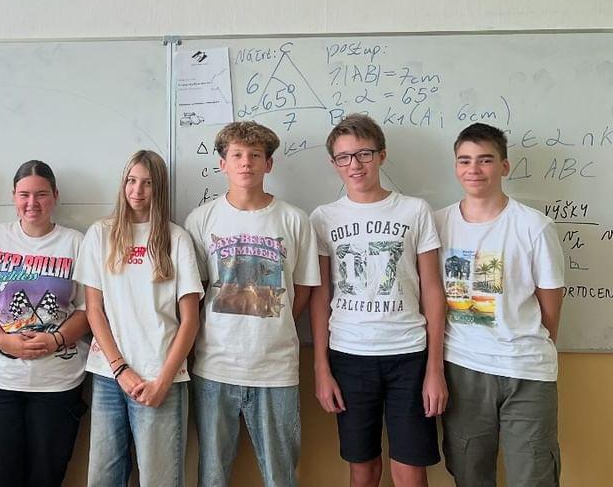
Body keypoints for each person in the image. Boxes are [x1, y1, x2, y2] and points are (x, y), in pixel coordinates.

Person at [309, 113, 448, 487]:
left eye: (364, 154)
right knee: (363, 469)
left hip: (409, 355)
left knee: (410, 472)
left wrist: (434, 369)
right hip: (349, 355)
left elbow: (432, 289)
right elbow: (320, 296)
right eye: (344, 157)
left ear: (382, 155)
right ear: (334, 163)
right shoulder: (323, 218)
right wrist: (321, 368)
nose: (355, 165)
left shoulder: (414, 210)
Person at [183, 122, 321, 487]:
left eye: (255, 155)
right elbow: (196, 290)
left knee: (281, 475)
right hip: (215, 367)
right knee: (212, 474)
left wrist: (273, 322)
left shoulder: (294, 220)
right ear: (223, 163)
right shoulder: (201, 220)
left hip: (276, 369)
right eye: (237, 155)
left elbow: (303, 289)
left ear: (268, 164)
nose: (246, 163)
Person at [435, 123, 564, 487]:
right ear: (456, 167)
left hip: (526, 371)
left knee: (533, 475)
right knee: (469, 473)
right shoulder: (437, 223)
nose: (474, 169)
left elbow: (551, 304)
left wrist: (526, 344)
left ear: (504, 166)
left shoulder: (534, 226)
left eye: (485, 160)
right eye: (465, 160)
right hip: (463, 368)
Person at [0, 160, 88, 487]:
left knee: (46, 478)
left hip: (57, 384)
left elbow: (88, 310)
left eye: (41, 194)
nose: (32, 203)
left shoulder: (76, 243)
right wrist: (3, 341)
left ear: (55, 195)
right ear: (13, 196)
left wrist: (56, 340)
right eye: (24, 195)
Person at [79, 150, 202, 486]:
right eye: (131, 181)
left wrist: (163, 381)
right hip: (109, 375)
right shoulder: (100, 234)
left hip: (161, 377)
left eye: (147, 183)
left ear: (158, 188)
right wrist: (120, 369)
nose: (137, 190)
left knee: (158, 479)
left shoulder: (176, 239)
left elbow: (190, 319)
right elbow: (94, 310)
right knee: (103, 477)